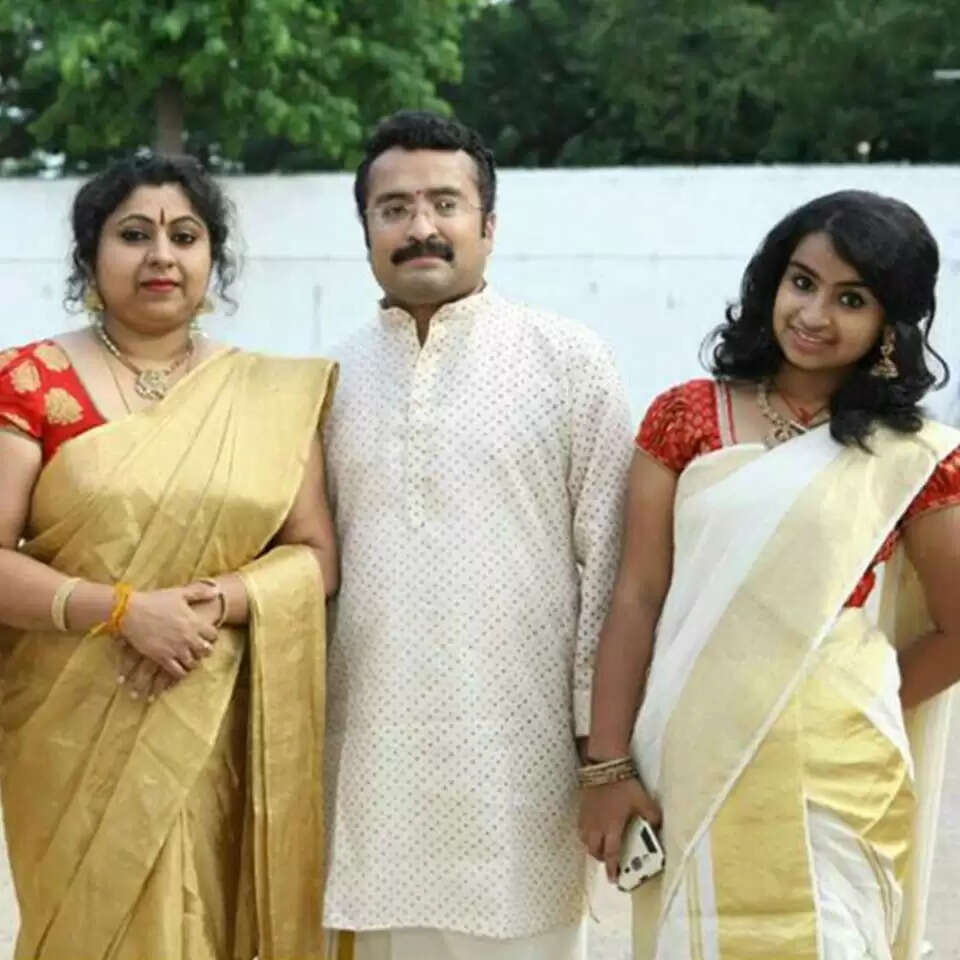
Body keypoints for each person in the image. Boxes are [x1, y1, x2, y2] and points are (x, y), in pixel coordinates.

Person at [580, 189, 960, 960]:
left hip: (838, 773)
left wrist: (854, 701)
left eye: (851, 298)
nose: (814, 314)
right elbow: (638, 596)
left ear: (891, 323)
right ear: (772, 282)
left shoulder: (912, 454)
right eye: (802, 282)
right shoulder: (687, 417)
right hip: (691, 750)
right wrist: (607, 768)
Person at [0, 153, 338, 959]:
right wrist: (124, 613)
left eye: (185, 236)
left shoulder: (267, 397)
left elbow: (315, 555)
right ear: (90, 256)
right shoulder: (31, 380)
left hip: (215, 720)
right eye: (133, 235)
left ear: (212, 259)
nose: (161, 255)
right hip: (74, 724)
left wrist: (213, 601)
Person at [322, 110, 633, 960]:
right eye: (394, 209)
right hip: (370, 771)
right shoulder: (328, 380)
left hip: (522, 772)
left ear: (488, 225)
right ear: (366, 232)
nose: (420, 227)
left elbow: (613, 566)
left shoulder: (569, 362)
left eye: (445, 204)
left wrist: (604, 756)